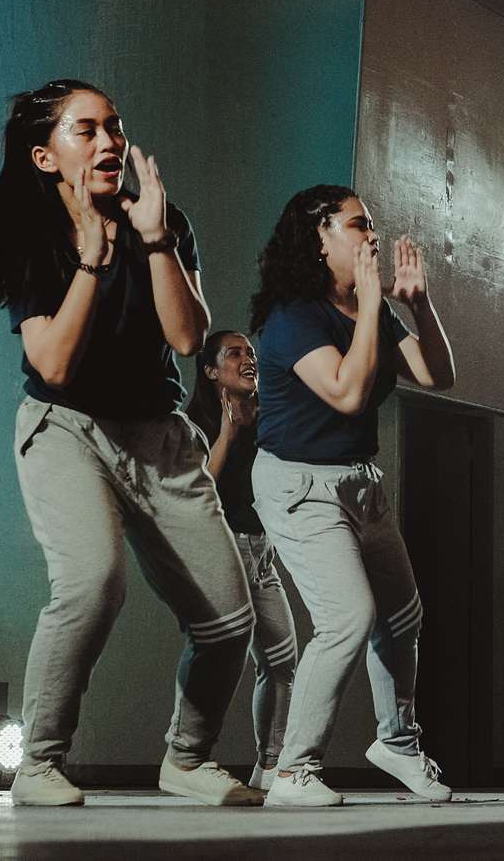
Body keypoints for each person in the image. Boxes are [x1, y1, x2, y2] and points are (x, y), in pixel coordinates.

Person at [0, 80, 259, 807]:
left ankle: (186, 759)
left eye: (114, 127)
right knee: (91, 586)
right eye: (85, 131)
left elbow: (187, 338)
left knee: (228, 618)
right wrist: (89, 258)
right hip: (66, 428)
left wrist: (153, 239)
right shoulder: (33, 237)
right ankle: (40, 763)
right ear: (46, 156)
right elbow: (52, 362)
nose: (109, 142)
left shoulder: (163, 218)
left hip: (160, 433)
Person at [247, 184, 456, 807]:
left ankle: (396, 741)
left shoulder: (374, 310)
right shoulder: (292, 318)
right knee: (347, 618)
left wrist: (416, 306)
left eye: (372, 223)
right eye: (358, 224)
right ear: (319, 239)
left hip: (360, 483)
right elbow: (345, 392)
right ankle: (292, 770)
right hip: (297, 481)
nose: (373, 235)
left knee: (401, 615)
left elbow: (438, 375)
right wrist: (370, 306)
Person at [183, 329, 298, 791]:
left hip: (262, 549)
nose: (248, 359)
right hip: (220, 546)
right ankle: (189, 757)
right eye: (235, 353)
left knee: (282, 658)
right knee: (212, 655)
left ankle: (270, 764)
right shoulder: (194, 420)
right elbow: (198, 486)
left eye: (251, 352)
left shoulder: (269, 415)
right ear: (211, 370)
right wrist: (229, 432)